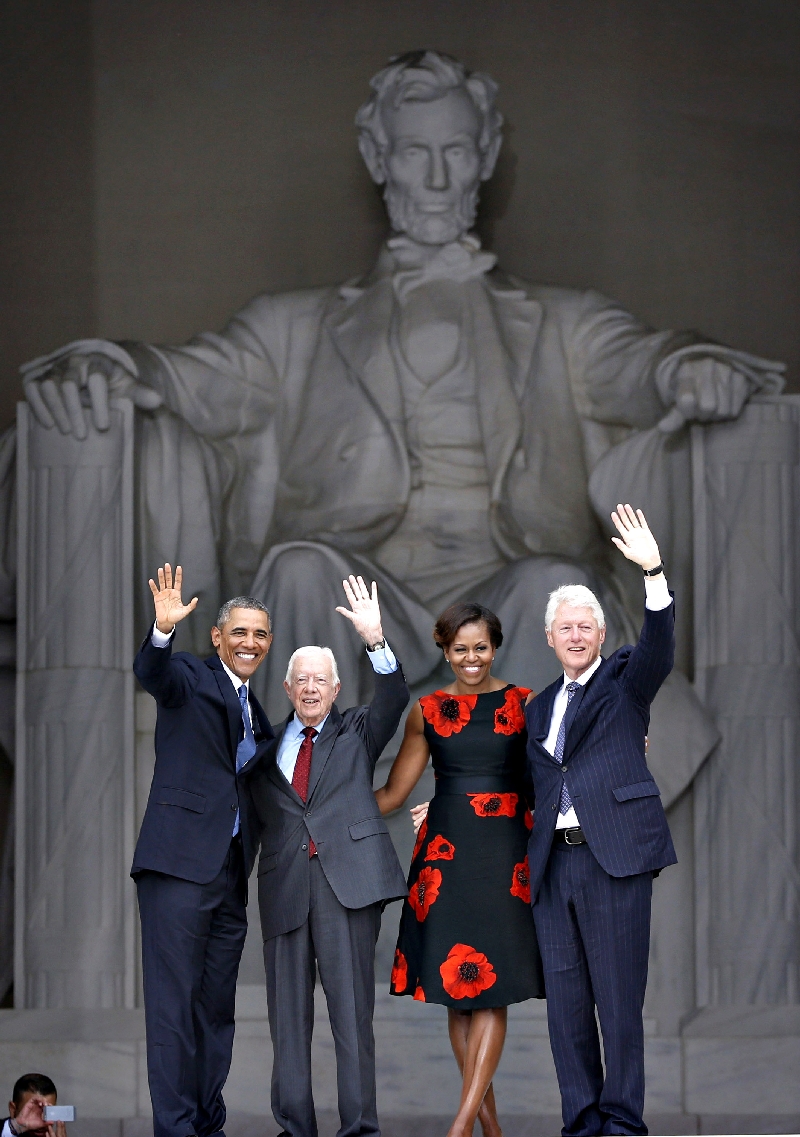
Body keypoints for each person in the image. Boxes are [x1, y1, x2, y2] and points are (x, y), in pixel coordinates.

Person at [11, 52, 782, 724]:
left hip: (508, 590)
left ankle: (551, 841)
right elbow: (191, 377)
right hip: (354, 585)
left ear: (487, 155)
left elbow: (643, 364)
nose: (439, 178)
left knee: (561, 585)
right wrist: (114, 366)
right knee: (303, 568)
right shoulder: (294, 326)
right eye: (416, 153)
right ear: (379, 157)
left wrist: (691, 368)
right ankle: (307, 825)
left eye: (456, 150)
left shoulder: (564, 323)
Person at [525, 505, 676, 1137]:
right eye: (566, 627)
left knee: (618, 1006)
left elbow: (660, 649)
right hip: (553, 868)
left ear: (601, 634)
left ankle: (622, 1123)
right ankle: (582, 1122)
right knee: (565, 1012)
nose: (577, 635)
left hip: (613, 859)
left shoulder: (624, 682)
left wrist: (653, 575)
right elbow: (524, 782)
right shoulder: (535, 709)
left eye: (587, 626)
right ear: (551, 638)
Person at [248, 575, 410, 1137]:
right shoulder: (263, 749)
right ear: (288, 690)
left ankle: (360, 1128)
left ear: (337, 689)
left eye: (321, 679)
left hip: (348, 887)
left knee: (351, 1019)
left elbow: (395, 697)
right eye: (302, 680)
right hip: (286, 888)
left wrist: (375, 639)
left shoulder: (359, 732)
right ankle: (295, 1129)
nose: (311, 688)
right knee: (286, 1025)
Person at [374, 601, 544, 1137]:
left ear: (495, 647)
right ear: (445, 650)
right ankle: (489, 1132)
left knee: (490, 987)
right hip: (445, 857)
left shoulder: (526, 704)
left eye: (481, 647)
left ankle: (460, 1127)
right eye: (459, 648)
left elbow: (550, 779)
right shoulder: (425, 710)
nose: (471, 658)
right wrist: (321, 801)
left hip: (505, 856)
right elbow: (395, 795)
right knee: (458, 990)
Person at [131, 564, 275, 1137]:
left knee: (216, 1011)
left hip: (229, 877)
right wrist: (163, 631)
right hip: (177, 865)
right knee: (173, 1010)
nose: (249, 643)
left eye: (260, 634)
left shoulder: (257, 714)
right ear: (217, 638)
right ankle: (177, 1129)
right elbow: (153, 673)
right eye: (239, 632)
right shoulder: (189, 675)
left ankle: (206, 1125)